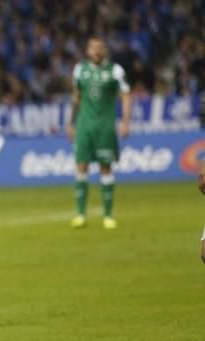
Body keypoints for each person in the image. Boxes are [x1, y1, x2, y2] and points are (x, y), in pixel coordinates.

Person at [67, 37, 132, 229]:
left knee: (106, 167)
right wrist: (70, 123)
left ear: (104, 50)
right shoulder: (80, 70)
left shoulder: (115, 71)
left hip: (105, 127)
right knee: (81, 166)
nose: (95, 51)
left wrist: (125, 122)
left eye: (99, 48)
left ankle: (108, 215)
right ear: (87, 51)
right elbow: (76, 97)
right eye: (92, 48)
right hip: (84, 126)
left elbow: (126, 96)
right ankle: (80, 215)